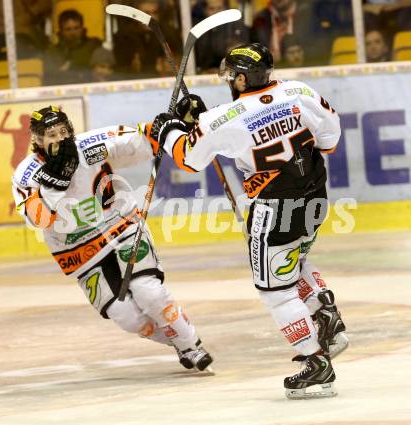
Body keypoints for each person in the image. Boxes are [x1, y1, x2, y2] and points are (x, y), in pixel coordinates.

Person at [149, 43, 348, 399]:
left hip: (272, 211)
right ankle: (325, 312)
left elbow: (189, 158)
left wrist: (170, 130)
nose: (229, 82)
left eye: (231, 76)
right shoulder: (298, 91)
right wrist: (204, 122)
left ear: (242, 78)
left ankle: (315, 363)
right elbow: (329, 142)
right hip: (315, 199)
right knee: (295, 258)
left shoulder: (221, 119)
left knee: (275, 291)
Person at [11, 106, 214, 373]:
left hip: (121, 227)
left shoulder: (91, 145)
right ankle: (176, 340)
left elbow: (143, 141)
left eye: (63, 131)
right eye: (51, 134)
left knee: (149, 292)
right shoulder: (26, 174)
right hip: (78, 251)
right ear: (37, 140)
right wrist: (55, 183)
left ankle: (191, 345)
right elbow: (38, 219)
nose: (59, 138)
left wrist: (169, 126)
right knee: (128, 318)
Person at [43, 9, 101, 85]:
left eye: (76, 28)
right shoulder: (53, 52)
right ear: (61, 31)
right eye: (68, 29)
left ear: (82, 28)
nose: (73, 33)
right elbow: (49, 79)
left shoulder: (94, 45)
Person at [194, 0, 250, 73]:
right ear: (205, 11)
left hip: (230, 73)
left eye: (219, 8)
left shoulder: (237, 27)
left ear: (225, 9)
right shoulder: (199, 30)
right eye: (211, 9)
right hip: (204, 74)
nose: (216, 13)